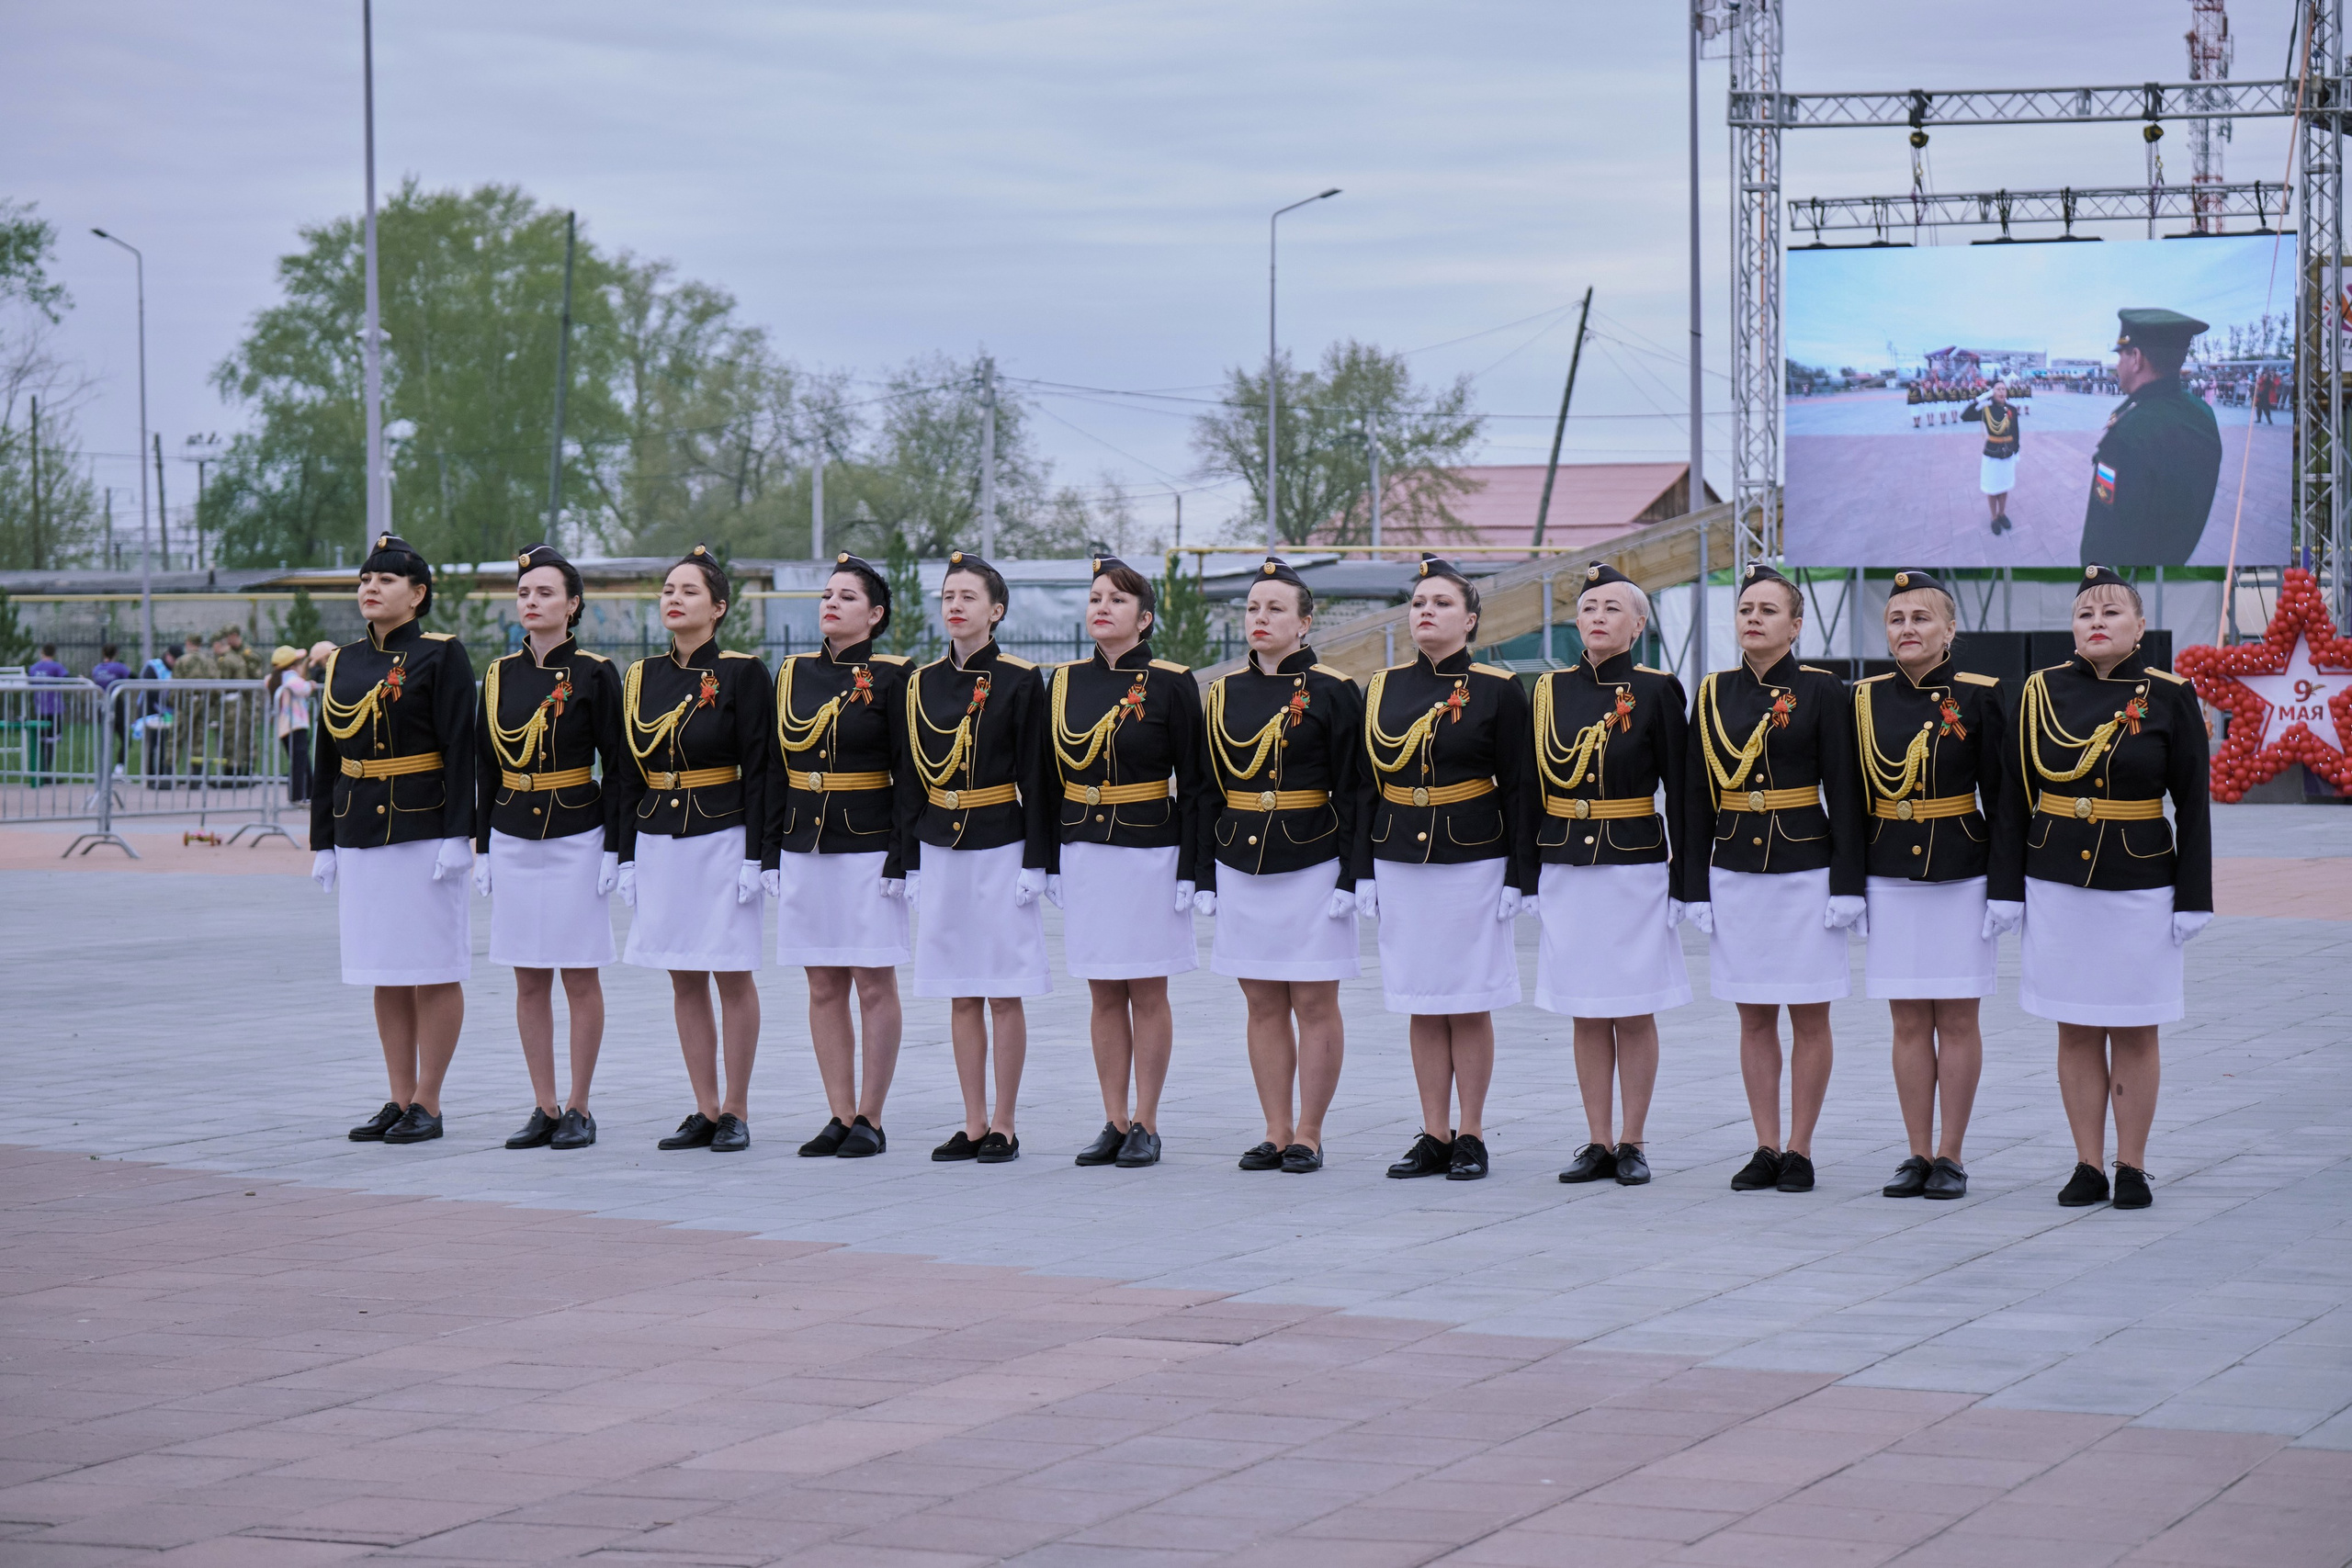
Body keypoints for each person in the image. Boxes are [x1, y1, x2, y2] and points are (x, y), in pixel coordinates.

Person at [2014, 565, 2211, 1210]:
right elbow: (2019, 795)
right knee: (2074, 1025)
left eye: (2111, 613)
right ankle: (2086, 1163)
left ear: (2140, 627)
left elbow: (2193, 801)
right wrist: (2008, 889)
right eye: (2085, 614)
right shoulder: (2041, 692)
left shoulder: (2169, 694)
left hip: (2139, 881)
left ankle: (2131, 1163)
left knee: (2134, 1027)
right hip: (2058, 880)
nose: (2096, 623)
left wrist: (2193, 894)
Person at [1684, 563, 1866, 1194]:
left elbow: (1845, 789)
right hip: (1736, 868)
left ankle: (1800, 1146)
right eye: (1745, 609)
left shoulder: (1823, 691)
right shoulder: (1712, 693)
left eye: (1767, 609)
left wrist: (1849, 883)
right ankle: (1764, 1143)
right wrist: (1694, 883)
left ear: (1795, 624)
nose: (1753, 618)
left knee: (1810, 1014)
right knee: (1754, 1015)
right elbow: (1695, 796)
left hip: (1804, 868)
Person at [1358, 554, 1535, 1184]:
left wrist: (1522, 874)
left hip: (1473, 858)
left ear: (1471, 620)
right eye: (1417, 603)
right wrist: (1362, 870)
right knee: (1422, 998)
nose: (1425, 611)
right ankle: (1433, 1131)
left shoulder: (1496, 688)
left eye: (1441, 603)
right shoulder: (1381, 688)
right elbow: (1365, 787)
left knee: (1468, 998)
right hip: (1401, 854)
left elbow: (1519, 786)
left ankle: (1472, 1132)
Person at [1855, 570, 2024, 1201]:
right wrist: (1850, 884)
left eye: (1921, 618)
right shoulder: (1864, 698)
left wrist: (2006, 887)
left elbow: (2005, 799)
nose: (1907, 629)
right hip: (1889, 871)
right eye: (1897, 619)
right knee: (1905, 1020)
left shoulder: (1981, 695)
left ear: (1950, 629)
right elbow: (1849, 801)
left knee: (1957, 1015)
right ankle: (1915, 1151)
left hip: (1960, 871)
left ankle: (1951, 1152)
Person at [310, 534, 477, 1146]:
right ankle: (399, 1094)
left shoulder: (441, 655)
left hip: (421, 827)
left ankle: (428, 1101)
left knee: (431, 966)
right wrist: (322, 839)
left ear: (418, 593)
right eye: (364, 579)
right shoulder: (345, 661)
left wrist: (461, 833)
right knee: (384, 969)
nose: (370, 588)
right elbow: (327, 752)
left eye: (385, 579)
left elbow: (462, 747)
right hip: (359, 828)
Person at [1199, 558, 1363, 1175]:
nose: (1260, 619)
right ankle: (1274, 1127)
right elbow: (1206, 788)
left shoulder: (1334, 690)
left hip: (1313, 858)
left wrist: (1354, 875)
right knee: (1262, 1001)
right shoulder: (1223, 693)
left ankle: (1310, 1131)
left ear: (1305, 622)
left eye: (1274, 609)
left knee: (1315, 1000)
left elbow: (1354, 791)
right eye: (1251, 608)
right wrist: (1204, 871)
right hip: (1242, 858)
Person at [1531, 563, 1691, 1189]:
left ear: (1638, 625)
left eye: (1612, 609)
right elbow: (1528, 787)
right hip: (1567, 859)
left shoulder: (1657, 690)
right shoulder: (1547, 692)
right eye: (1589, 606)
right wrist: (1525, 871)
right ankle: (1597, 1138)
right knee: (1585, 1007)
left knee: (1633, 1005)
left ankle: (1633, 1138)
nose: (1597, 616)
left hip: (1633, 863)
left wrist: (1686, 880)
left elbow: (1681, 788)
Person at [1047, 549, 1210, 1169]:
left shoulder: (1170, 680)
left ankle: (1148, 1119)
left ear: (1144, 618)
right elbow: (1045, 777)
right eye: (1095, 599)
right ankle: (1113, 1117)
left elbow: (1196, 783)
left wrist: (1195, 870)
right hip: (1086, 845)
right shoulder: (1064, 682)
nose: (1102, 608)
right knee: (1102, 989)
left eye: (1116, 600)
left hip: (1149, 849)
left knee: (1147, 986)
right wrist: (1049, 861)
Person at [615, 546, 774, 1154]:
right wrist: (625, 853)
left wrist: (759, 855)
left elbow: (760, 768)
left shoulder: (740, 672)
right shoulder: (643, 676)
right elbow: (629, 771)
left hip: (722, 835)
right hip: (661, 836)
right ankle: (704, 1106)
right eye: (667, 590)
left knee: (731, 972)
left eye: (688, 590)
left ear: (718, 607)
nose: (673, 599)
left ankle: (736, 1107)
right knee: (682, 973)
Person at [901, 551, 1053, 1164]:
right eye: (947, 596)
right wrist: (907, 860)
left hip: (1000, 842)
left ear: (995, 611)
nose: (955, 606)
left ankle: (1006, 1122)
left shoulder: (1019, 678)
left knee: (1002, 987)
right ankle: (971, 1120)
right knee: (959, 988)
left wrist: (1038, 860)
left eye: (968, 597)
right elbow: (911, 777)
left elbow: (1038, 776)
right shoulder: (921, 682)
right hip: (941, 843)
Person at [475, 546, 624, 1153]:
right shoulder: (499, 675)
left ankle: (580, 1106)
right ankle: (543, 1103)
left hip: (575, 833)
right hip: (513, 832)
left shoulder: (594, 672)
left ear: (572, 605)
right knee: (528, 976)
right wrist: (481, 844)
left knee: (579, 973)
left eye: (544, 593)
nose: (531, 602)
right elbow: (485, 764)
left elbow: (617, 767)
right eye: (524, 593)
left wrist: (617, 846)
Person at [769, 552, 912, 1159]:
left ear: (875, 614)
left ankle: (871, 1116)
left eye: (848, 597)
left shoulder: (895, 675)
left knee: (872, 979)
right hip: (807, 840)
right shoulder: (793, 672)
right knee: (822, 979)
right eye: (827, 594)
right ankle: (837, 1110)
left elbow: (910, 775)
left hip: (868, 844)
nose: (831, 603)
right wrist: (770, 852)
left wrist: (903, 858)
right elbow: (777, 767)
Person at [2081, 309, 2224, 568]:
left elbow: (2103, 535)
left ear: (2136, 358)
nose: (2116, 366)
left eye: (2120, 355)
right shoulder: (2202, 413)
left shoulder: (2128, 434)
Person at [1961, 383, 2025, 536]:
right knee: (1992, 488)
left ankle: (2002, 514)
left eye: (2003, 389)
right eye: (1997, 389)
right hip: (1992, 454)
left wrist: (2016, 451)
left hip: (2008, 454)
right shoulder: (1986, 409)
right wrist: (1979, 399)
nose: (2001, 392)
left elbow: (2016, 431)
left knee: (2004, 487)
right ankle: (1994, 517)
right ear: (1992, 393)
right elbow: (1965, 416)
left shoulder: (2012, 409)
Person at [268, 645, 315, 804]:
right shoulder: (290, 677)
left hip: (286, 726)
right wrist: (311, 685)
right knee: (299, 761)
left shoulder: (274, 678)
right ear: (292, 664)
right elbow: (303, 688)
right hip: (295, 724)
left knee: (301, 760)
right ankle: (298, 796)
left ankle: (309, 793)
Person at [173, 633, 218, 784]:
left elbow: (175, 684)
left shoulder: (182, 661)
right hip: (203, 701)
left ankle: (167, 775)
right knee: (198, 740)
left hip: (185, 702)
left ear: (188, 642)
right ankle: (196, 777)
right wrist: (210, 702)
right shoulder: (209, 661)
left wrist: (174, 703)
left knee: (176, 739)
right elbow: (216, 684)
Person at [28, 644, 68, 784]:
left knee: (40, 742)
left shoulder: (33, 668)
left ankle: (40, 771)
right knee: (49, 743)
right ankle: (45, 773)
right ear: (54, 653)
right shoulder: (56, 667)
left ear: (42, 652)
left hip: (39, 709)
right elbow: (67, 678)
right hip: (53, 710)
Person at [92, 644, 131, 772]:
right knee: (126, 739)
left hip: (102, 705)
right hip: (116, 705)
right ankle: (118, 769)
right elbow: (133, 676)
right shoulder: (118, 667)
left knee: (106, 740)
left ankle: (104, 770)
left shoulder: (97, 669)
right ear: (116, 653)